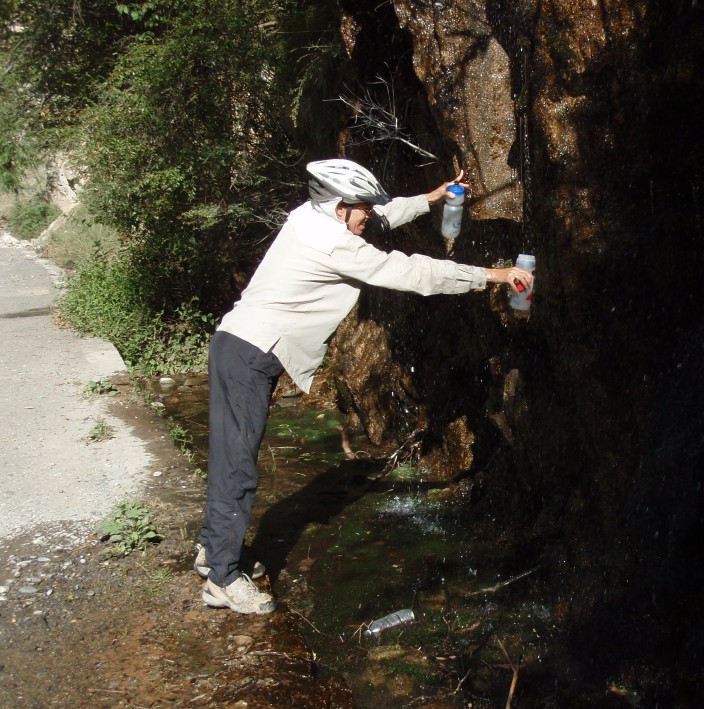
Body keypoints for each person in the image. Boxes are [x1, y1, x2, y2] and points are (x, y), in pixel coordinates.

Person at [193, 159, 534, 614]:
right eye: (360, 211)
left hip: (237, 343)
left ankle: (212, 551)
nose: (368, 218)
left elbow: (381, 214)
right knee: (238, 467)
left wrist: (430, 199)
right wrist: (490, 276)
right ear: (339, 210)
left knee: (231, 456)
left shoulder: (310, 215)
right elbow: (414, 274)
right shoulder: (334, 244)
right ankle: (221, 578)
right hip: (249, 356)